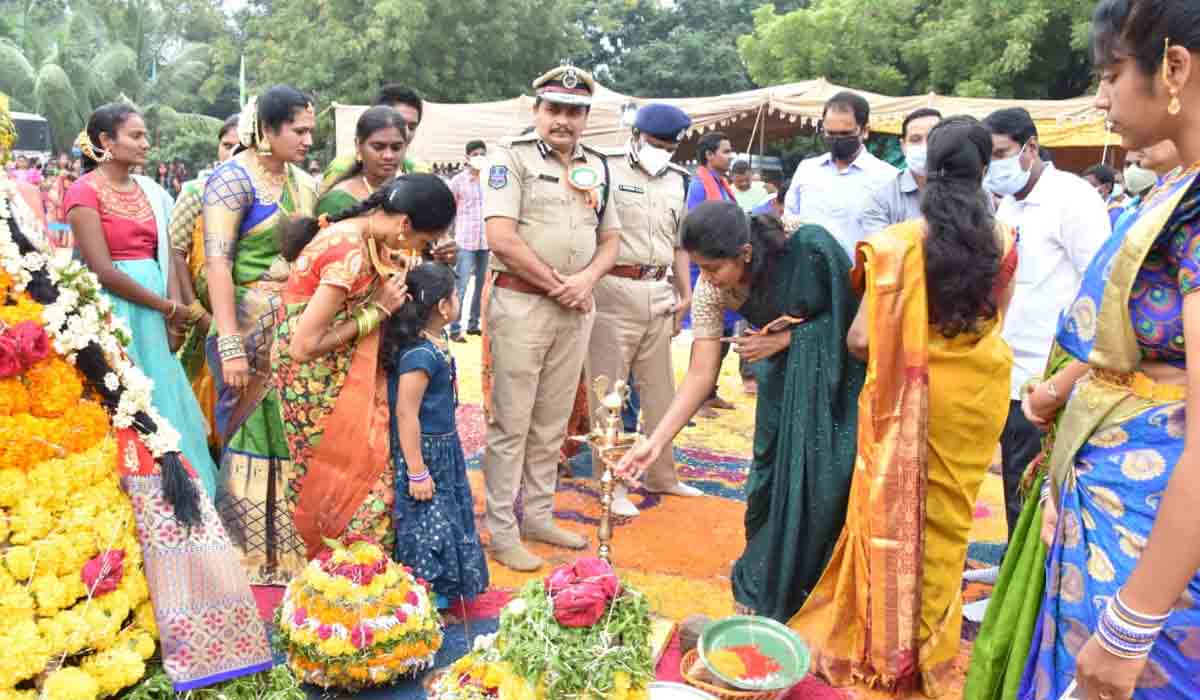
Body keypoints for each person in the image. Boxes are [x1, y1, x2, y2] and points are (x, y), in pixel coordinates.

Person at [788, 116, 1018, 697]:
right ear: (984, 170)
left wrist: (905, 355)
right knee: (947, 530)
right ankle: (931, 655)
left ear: (923, 170)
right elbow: (997, 323)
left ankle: (885, 647)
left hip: (908, 406)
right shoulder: (1006, 241)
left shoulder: (894, 247)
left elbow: (862, 341)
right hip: (975, 401)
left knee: (892, 521)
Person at [1010, 3, 1200, 698]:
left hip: (1158, 541)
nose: (1100, 98)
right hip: (1121, 511)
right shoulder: (1178, 188)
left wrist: (1131, 622)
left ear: (1173, 67)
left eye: (1112, 75)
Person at [619, 201, 864, 622]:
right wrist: (654, 443)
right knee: (767, 485)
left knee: (821, 486)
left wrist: (789, 342)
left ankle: (807, 594)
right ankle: (769, 576)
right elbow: (700, 374)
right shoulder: (712, 290)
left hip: (833, 388)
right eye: (699, 268)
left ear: (745, 253)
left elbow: (857, 324)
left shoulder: (808, 244)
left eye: (713, 268)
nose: (707, 280)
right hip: (780, 388)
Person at [481, 65, 621, 572]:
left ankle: (537, 514)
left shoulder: (599, 165)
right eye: (555, 109)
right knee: (511, 421)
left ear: (586, 117)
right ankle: (501, 528)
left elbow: (611, 240)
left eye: (575, 111)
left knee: (551, 422)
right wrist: (558, 283)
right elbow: (501, 237)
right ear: (536, 110)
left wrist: (584, 281)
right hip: (522, 304)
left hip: (576, 306)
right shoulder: (508, 158)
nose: (564, 120)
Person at [272, 174, 453, 561]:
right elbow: (303, 346)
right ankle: (345, 572)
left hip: (343, 373)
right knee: (347, 481)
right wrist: (378, 313)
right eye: (423, 241)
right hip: (316, 383)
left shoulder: (369, 238)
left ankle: (352, 570)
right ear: (405, 224)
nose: (419, 251)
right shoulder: (347, 250)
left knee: (364, 474)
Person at [64, 104, 218, 497]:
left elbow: (164, 255)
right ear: (105, 141)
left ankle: (185, 492)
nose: (146, 143)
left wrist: (171, 315)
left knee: (161, 392)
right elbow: (102, 270)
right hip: (116, 308)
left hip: (155, 308)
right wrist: (166, 307)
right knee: (124, 392)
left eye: (146, 135)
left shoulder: (149, 190)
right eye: (136, 136)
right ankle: (137, 493)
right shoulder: (83, 192)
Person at [204, 85, 317, 584]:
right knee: (248, 431)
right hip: (246, 331)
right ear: (268, 130)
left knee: (290, 433)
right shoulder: (232, 180)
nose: (309, 139)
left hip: (292, 330)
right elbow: (217, 264)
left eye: (312, 130)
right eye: (299, 130)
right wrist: (230, 343)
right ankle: (243, 553)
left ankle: (291, 550)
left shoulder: (302, 182)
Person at [982, 106, 1110, 542]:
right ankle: (1017, 591)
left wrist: (1068, 381)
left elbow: (1101, 288)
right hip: (1008, 373)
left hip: (1050, 378)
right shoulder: (1006, 208)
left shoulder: (1072, 200)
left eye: (1002, 152)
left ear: (1030, 148)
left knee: (1042, 500)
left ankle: (1038, 600)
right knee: (1016, 491)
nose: (995, 165)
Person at [591, 103, 698, 518]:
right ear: (636, 136)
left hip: (659, 289)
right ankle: (610, 482)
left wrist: (684, 292)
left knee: (660, 392)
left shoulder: (678, 179)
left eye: (669, 146)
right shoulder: (605, 168)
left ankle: (662, 475)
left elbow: (679, 243)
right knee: (609, 393)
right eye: (655, 144)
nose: (662, 152)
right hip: (614, 288)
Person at [384, 262, 489, 606]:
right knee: (429, 521)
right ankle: (427, 592)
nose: (458, 299)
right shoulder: (419, 354)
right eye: (455, 294)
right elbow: (406, 413)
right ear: (444, 307)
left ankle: (445, 585)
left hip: (444, 448)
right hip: (425, 453)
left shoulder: (435, 341)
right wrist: (417, 469)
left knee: (448, 514)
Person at [169, 115, 239, 447]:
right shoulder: (197, 191)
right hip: (204, 314)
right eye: (228, 145)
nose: (234, 151)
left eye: (242, 146)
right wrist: (195, 310)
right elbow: (176, 253)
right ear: (218, 147)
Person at [783, 91, 898, 258]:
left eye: (845, 134)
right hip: (809, 276)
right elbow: (790, 217)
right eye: (830, 133)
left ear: (864, 131)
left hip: (860, 279)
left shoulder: (887, 178)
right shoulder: (807, 170)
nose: (836, 140)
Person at [684, 131, 741, 413]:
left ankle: (710, 391)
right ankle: (697, 396)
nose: (731, 156)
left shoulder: (723, 185)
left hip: (727, 269)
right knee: (707, 334)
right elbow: (695, 229)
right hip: (706, 271)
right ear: (709, 155)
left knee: (725, 332)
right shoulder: (698, 186)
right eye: (726, 151)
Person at [320, 84, 431, 194]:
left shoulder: (420, 171)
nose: (405, 133)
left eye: (412, 127)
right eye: (398, 123)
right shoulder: (341, 168)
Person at [860, 107, 942, 235]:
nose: (926, 146)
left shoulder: (969, 194)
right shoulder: (881, 201)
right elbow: (881, 250)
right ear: (903, 146)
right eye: (916, 139)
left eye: (933, 139)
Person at [316, 105, 409, 217]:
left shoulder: (413, 192)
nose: (388, 156)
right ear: (358, 145)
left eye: (396, 148)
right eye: (378, 147)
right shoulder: (336, 202)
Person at [448, 139, 489, 341]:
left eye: (482, 154)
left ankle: (474, 324)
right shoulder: (458, 181)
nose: (479, 158)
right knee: (461, 285)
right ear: (467, 157)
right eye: (475, 154)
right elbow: (448, 210)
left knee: (481, 285)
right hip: (465, 240)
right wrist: (446, 238)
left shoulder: (490, 179)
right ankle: (455, 329)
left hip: (486, 241)